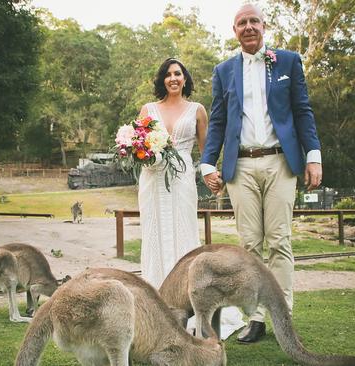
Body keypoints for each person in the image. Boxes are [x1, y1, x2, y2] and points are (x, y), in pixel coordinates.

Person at [201, 4, 323, 344]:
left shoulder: (288, 61)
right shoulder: (224, 70)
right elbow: (219, 122)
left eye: (254, 21)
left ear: (264, 26)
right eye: (242, 22)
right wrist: (208, 164)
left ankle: (283, 315)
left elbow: (303, 112)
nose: (249, 26)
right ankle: (255, 318)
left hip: (281, 162)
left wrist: (313, 156)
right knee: (249, 245)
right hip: (240, 166)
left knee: (280, 241)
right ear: (235, 30)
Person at [137, 58, 245, 339]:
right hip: (152, 178)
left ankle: (188, 303)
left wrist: (212, 176)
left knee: (184, 234)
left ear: (185, 79)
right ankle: (154, 303)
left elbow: (205, 150)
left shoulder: (197, 110)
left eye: (178, 74)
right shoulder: (148, 110)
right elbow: (138, 146)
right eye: (168, 74)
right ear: (162, 79)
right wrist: (141, 152)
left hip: (182, 178)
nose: (173, 78)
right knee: (155, 236)